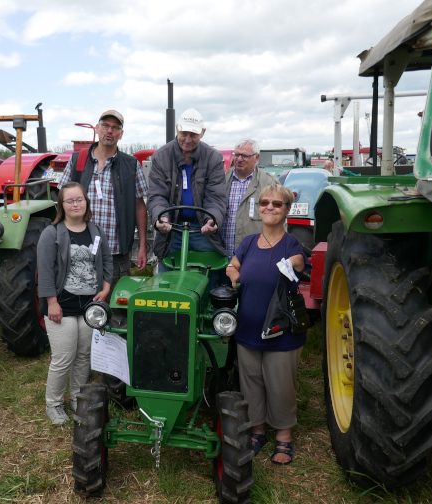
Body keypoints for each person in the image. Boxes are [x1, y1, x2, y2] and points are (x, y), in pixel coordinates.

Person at [225, 183, 309, 465]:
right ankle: (258, 430)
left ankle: (284, 435)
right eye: (264, 203)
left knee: (281, 383)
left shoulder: (291, 243)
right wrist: (233, 272)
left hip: (280, 329)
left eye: (277, 204)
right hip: (248, 326)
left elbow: (299, 263)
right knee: (251, 381)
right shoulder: (249, 243)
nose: (269, 207)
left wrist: (295, 263)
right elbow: (232, 265)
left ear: (287, 210)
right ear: (258, 208)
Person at [37, 182, 113, 425]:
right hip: (62, 304)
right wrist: (51, 302)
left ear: (86, 202)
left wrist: (107, 287)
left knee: (84, 356)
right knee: (63, 357)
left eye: (79, 199)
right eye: (70, 201)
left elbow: (107, 260)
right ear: (62, 205)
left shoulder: (95, 231)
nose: (75, 204)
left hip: (89, 305)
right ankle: (54, 404)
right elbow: (45, 270)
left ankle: (78, 399)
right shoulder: (52, 233)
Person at [59, 110, 148, 295]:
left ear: (121, 134)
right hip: (79, 248)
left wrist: (142, 246)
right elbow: (62, 200)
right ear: (97, 128)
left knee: (116, 304)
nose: (110, 131)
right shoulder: (78, 161)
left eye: (115, 128)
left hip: (116, 251)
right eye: (106, 125)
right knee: (79, 300)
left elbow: (140, 206)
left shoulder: (131, 165)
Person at [147, 108, 227, 272]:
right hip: (172, 229)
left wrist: (211, 220)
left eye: (194, 135)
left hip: (201, 229)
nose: (188, 139)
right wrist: (161, 217)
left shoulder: (213, 158)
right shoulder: (161, 157)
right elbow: (157, 196)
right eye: (184, 133)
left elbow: (216, 197)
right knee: (166, 276)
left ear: (203, 133)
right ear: (177, 129)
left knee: (209, 277)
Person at [221, 138, 280, 259]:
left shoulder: (269, 183)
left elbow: (279, 223)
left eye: (245, 156)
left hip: (254, 259)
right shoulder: (221, 180)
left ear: (257, 158)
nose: (239, 159)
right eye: (237, 154)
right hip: (221, 258)